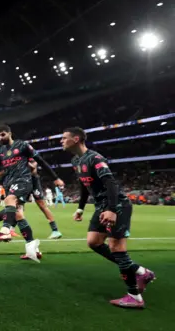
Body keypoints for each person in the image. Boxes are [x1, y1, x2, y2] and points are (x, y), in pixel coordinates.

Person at [61, 127, 155, 308]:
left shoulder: (95, 159)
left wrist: (112, 209)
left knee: (116, 247)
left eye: (64, 138)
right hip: (101, 207)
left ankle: (134, 297)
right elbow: (84, 185)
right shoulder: (76, 161)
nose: (61, 141)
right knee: (93, 242)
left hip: (117, 205)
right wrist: (80, 208)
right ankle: (140, 271)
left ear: (76, 139)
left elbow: (110, 183)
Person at [0, 125, 64, 262]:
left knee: (9, 199)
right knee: (18, 215)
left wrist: (55, 178)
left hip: (24, 180)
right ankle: (32, 250)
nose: (0, 138)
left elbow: (40, 160)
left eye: (3, 134)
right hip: (9, 183)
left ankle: (5, 230)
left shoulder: (22, 145)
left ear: (10, 134)